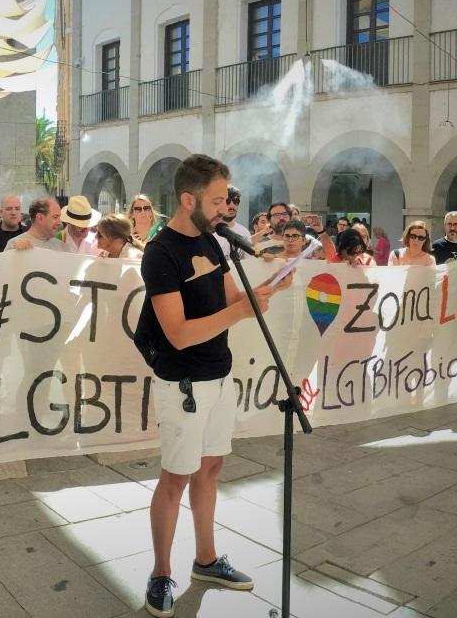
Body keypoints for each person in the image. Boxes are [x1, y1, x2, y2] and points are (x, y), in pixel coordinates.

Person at [134, 154, 291, 617]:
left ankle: (206, 559)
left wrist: (270, 289)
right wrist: (240, 313)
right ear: (189, 199)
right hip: (182, 380)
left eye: (227, 198)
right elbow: (179, 332)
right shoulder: (160, 252)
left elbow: (230, 301)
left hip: (219, 373)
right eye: (218, 199)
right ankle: (161, 572)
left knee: (211, 468)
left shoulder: (212, 241)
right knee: (176, 477)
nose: (226, 208)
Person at [6, 197, 73, 252]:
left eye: (59, 217)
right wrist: (14, 252)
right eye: (55, 217)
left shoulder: (62, 247)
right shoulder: (15, 245)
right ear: (40, 217)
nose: (60, 223)